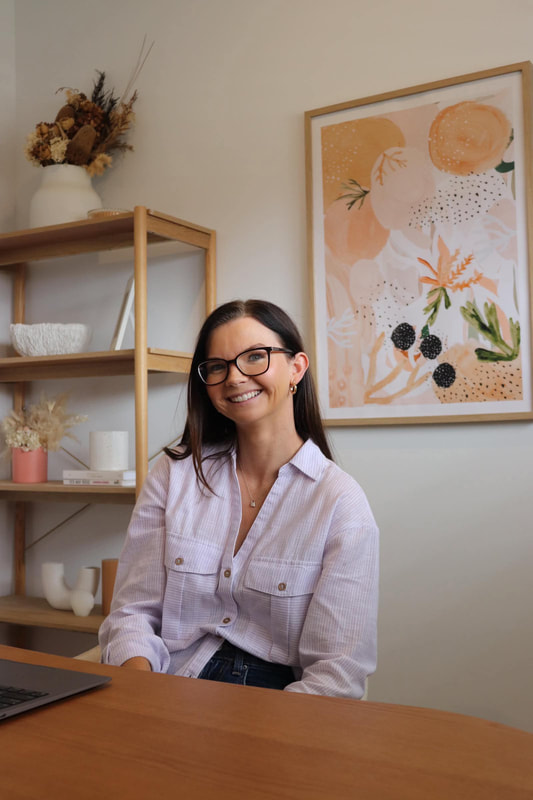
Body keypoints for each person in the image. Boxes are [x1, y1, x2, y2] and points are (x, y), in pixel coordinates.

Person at [99, 299, 379, 697]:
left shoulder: (340, 503)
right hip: (165, 686)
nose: (234, 378)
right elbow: (132, 615)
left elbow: (337, 673)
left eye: (254, 357)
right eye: (218, 366)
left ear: (296, 367)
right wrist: (143, 696)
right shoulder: (174, 474)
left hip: (278, 706)